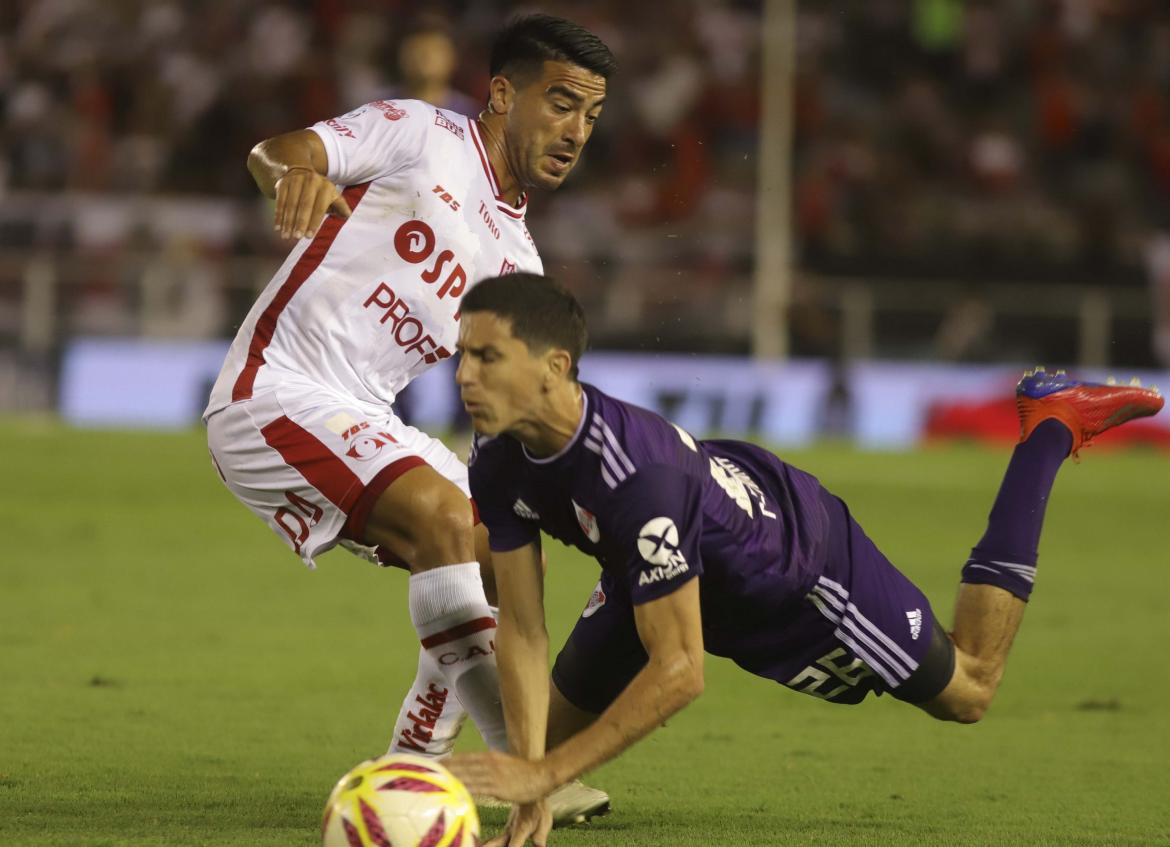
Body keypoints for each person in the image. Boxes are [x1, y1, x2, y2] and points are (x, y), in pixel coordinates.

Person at [445, 273, 1164, 847]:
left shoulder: (639, 479)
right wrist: (538, 773)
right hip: (659, 556)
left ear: (553, 368)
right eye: (464, 355)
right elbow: (522, 625)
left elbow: (680, 670)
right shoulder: (500, 454)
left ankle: (1049, 425)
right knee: (544, 750)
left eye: (488, 358)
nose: (465, 378)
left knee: (968, 686)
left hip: (797, 567)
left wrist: (543, 771)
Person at [202, 16, 614, 824]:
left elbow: (503, 426)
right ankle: (530, 774)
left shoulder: (517, 262)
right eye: (560, 103)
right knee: (440, 516)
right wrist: (297, 177)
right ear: (502, 93)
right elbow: (279, 152)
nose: (575, 131)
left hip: (359, 412)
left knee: (501, 551)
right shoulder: (420, 132)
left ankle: (408, 772)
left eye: (591, 117)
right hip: (272, 393)